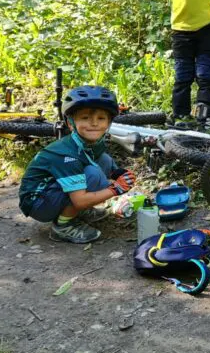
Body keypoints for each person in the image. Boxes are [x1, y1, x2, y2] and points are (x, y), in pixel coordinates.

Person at [18, 86, 137, 243]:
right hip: (37, 203)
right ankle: (63, 226)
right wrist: (116, 189)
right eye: (85, 118)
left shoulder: (93, 141)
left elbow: (102, 162)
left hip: (52, 190)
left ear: (108, 122)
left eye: (101, 118)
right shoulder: (68, 155)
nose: (94, 123)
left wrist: (118, 174)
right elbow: (80, 200)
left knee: (104, 160)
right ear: (70, 122)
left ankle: (76, 212)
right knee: (93, 175)